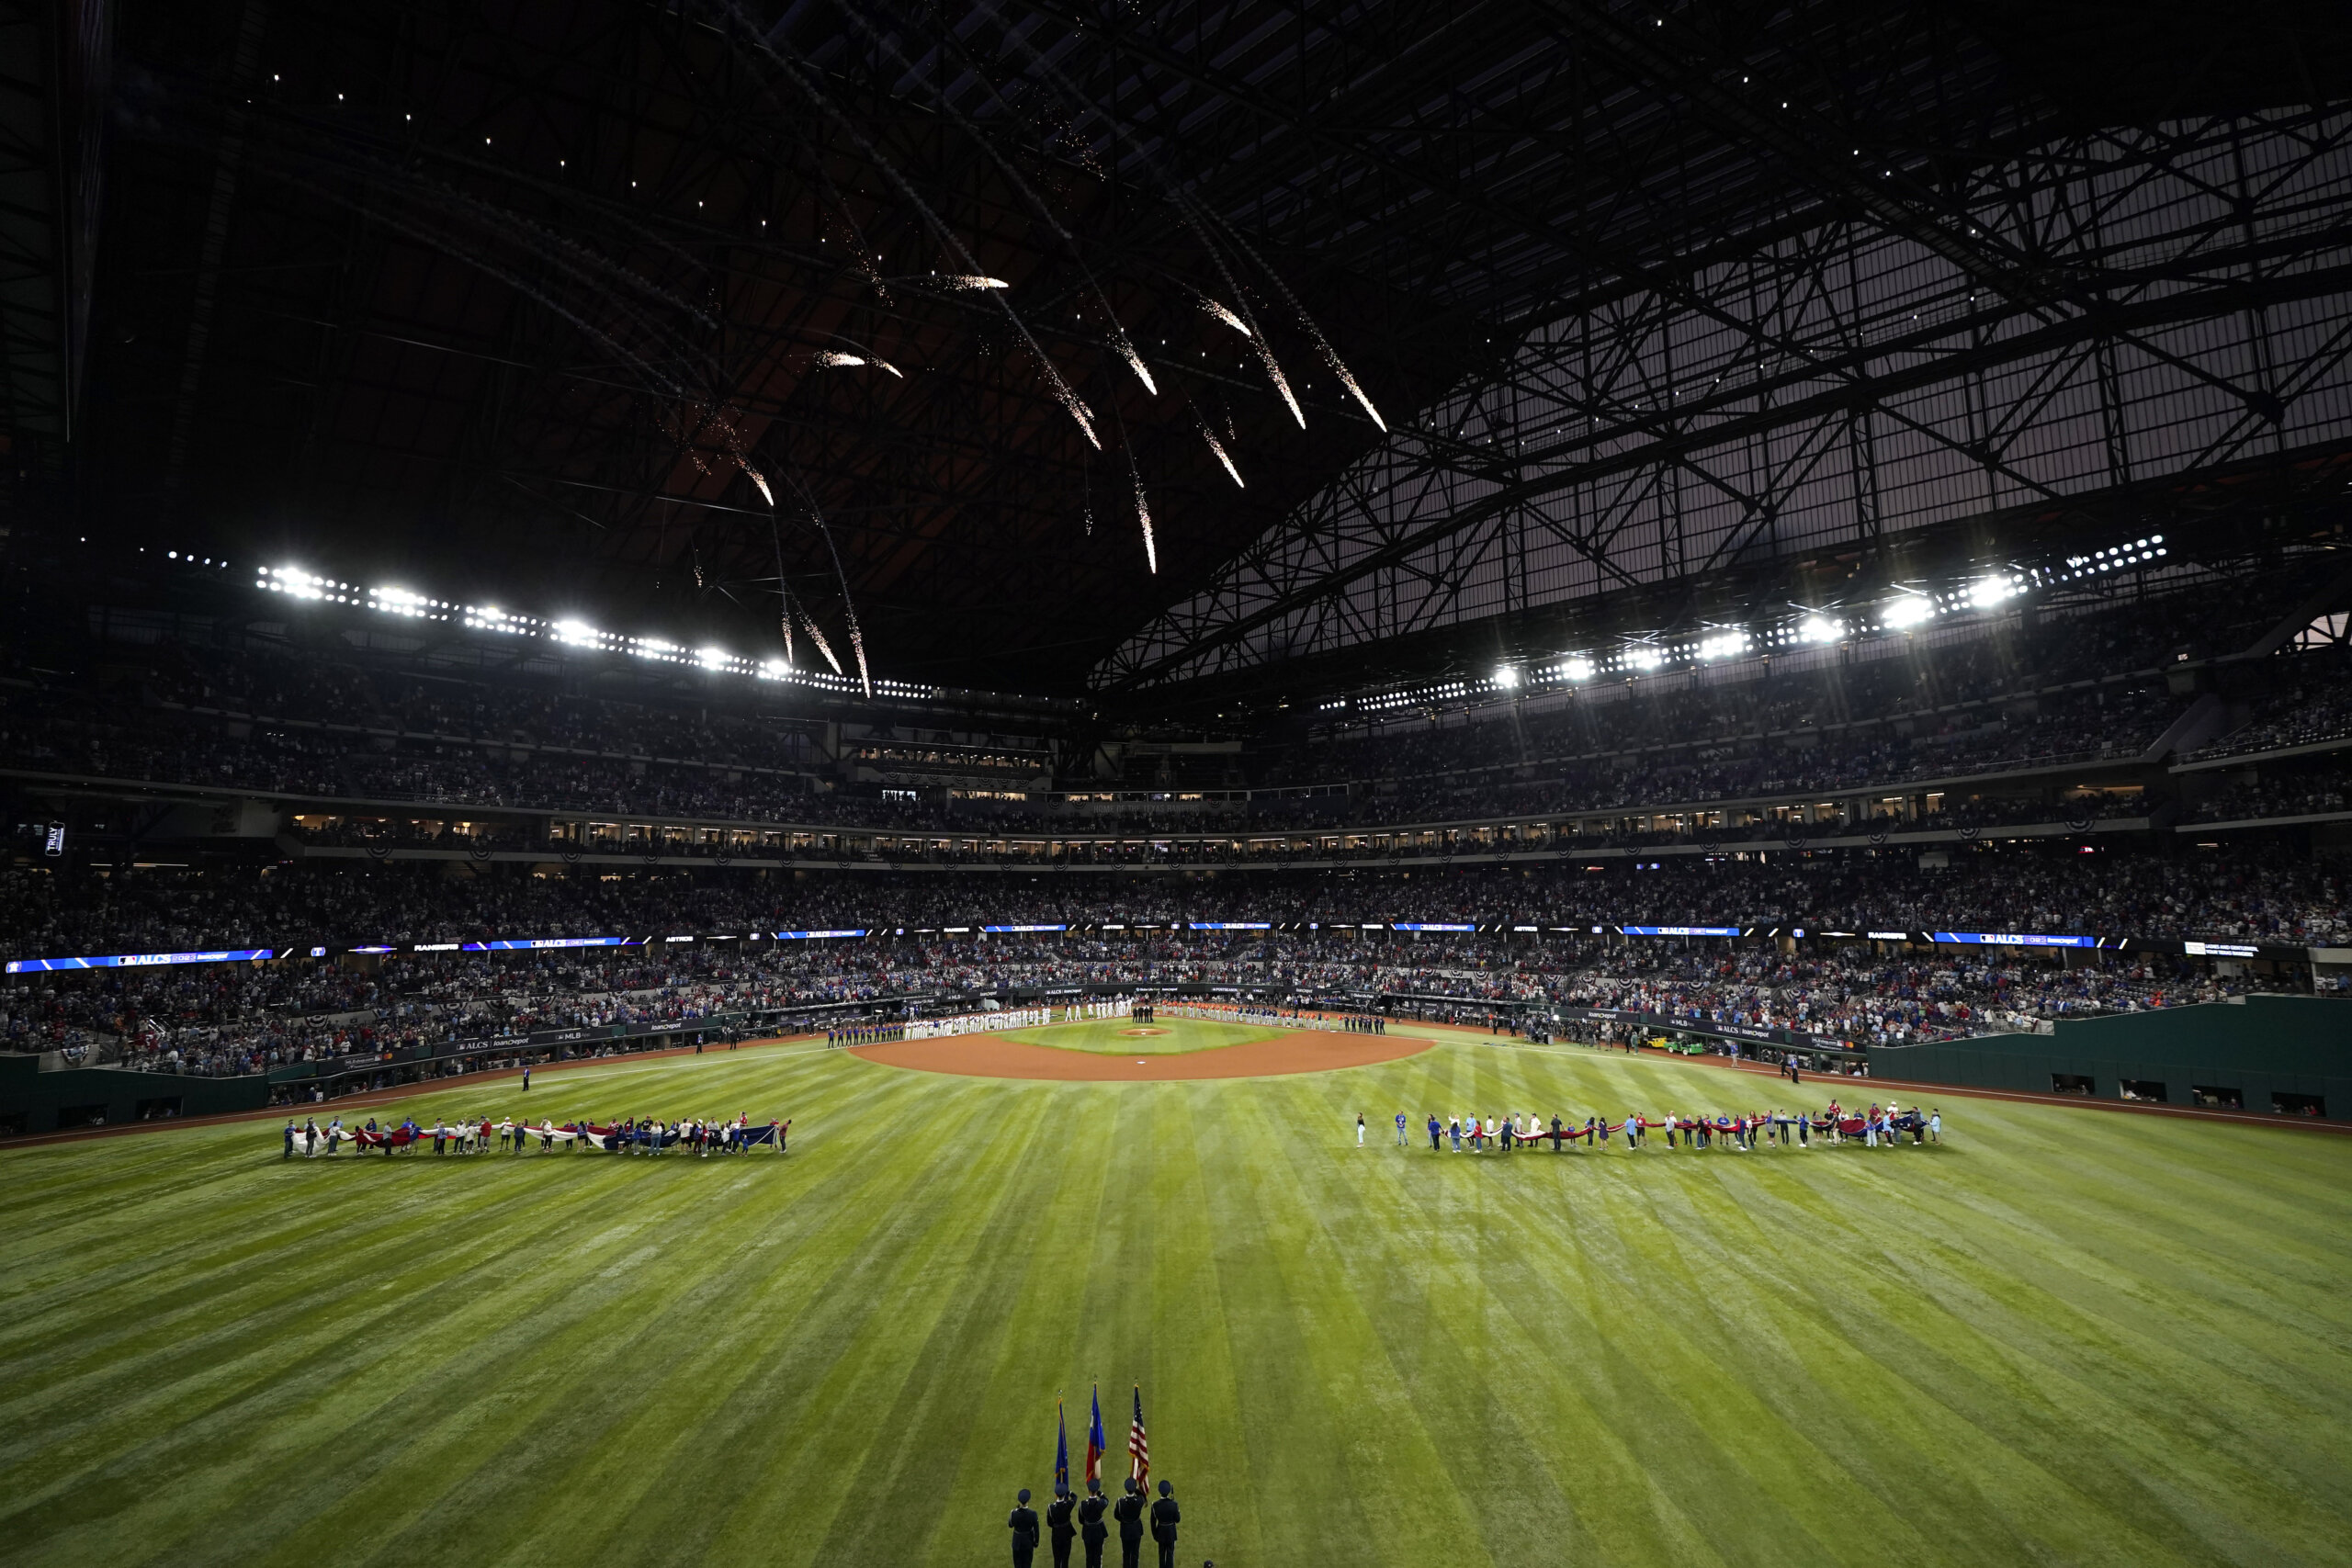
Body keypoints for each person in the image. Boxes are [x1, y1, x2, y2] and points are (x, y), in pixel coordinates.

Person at [1114, 1477, 1146, 1568]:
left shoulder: (1120, 1502)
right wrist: (1136, 1488)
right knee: (1135, 1553)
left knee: (1126, 1553)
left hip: (1125, 1530)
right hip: (1136, 1529)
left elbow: (1116, 1515)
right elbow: (1142, 1495)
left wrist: (1124, 1521)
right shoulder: (1140, 1501)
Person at [1079, 1479, 1109, 1568]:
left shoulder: (1083, 1504)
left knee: (1089, 1556)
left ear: (1088, 1491)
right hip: (1099, 1532)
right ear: (1096, 1491)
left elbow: (1081, 1520)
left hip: (1087, 1532)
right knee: (1098, 1557)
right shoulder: (1101, 1503)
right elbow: (1106, 1500)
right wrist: (1100, 1493)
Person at [1149, 1480, 1180, 1568]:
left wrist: (1155, 1534)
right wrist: (1176, 1511)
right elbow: (1177, 1520)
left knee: (1161, 1555)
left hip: (1161, 1533)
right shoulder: (1174, 1505)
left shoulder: (1155, 1505)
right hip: (1171, 1532)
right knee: (1170, 1555)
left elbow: (1152, 1522)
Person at [1009, 1488, 1041, 1568]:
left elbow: (1010, 1525)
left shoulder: (1013, 1513)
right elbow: (1037, 1530)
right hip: (1028, 1543)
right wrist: (1036, 1542)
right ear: (1028, 1501)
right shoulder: (1033, 1514)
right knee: (1027, 1565)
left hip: (1017, 1543)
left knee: (1018, 1565)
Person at [1046, 1485, 1077, 1568]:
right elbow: (1075, 1497)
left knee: (1057, 1559)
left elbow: (1049, 1523)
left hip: (1056, 1534)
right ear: (1064, 1495)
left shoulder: (1051, 1508)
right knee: (1065, 1559)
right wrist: (1069, 1492)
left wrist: (1057, 1526)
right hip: (1067, 1533)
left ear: (1056, 1495)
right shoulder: (1069, 1504)